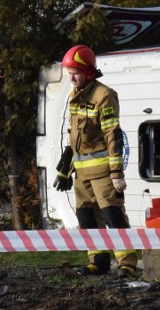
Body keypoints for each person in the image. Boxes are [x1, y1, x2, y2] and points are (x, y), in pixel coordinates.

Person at [54, 44, 138, 278]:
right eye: (69, 72)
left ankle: (127, 263)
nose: (71, 77)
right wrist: (65, 169)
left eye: (76, 72)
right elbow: (74, 138)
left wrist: (116, 173)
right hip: (81, 175)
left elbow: (113, 136)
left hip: (102, 174)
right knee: (87, 219)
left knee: (113, 217)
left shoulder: (104, 95)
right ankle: (98, 261)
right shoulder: (74, 97)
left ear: (89, 72)